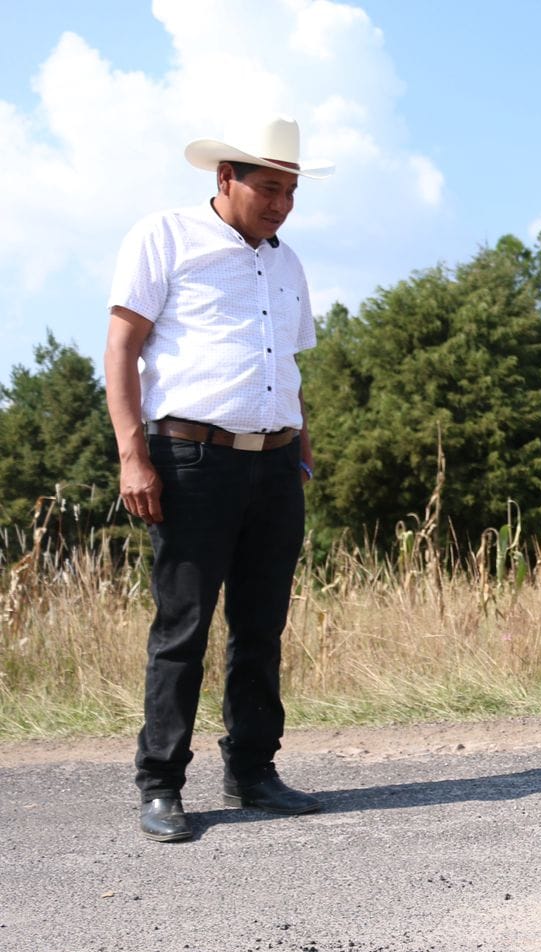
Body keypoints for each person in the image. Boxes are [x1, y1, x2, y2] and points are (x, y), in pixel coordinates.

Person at [104, 115, 334, 842]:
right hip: (191, 459)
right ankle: (162, 785)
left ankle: (253, 771)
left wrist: (302, 446)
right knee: (184, 627)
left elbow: (287, 365)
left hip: (274, 464)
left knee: (262, 624)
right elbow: (121, 348)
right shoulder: (163, 237)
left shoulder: (288, 262)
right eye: (270, 188)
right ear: (224, 179)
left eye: (291, 192)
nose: (281, 205)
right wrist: (131, 454)